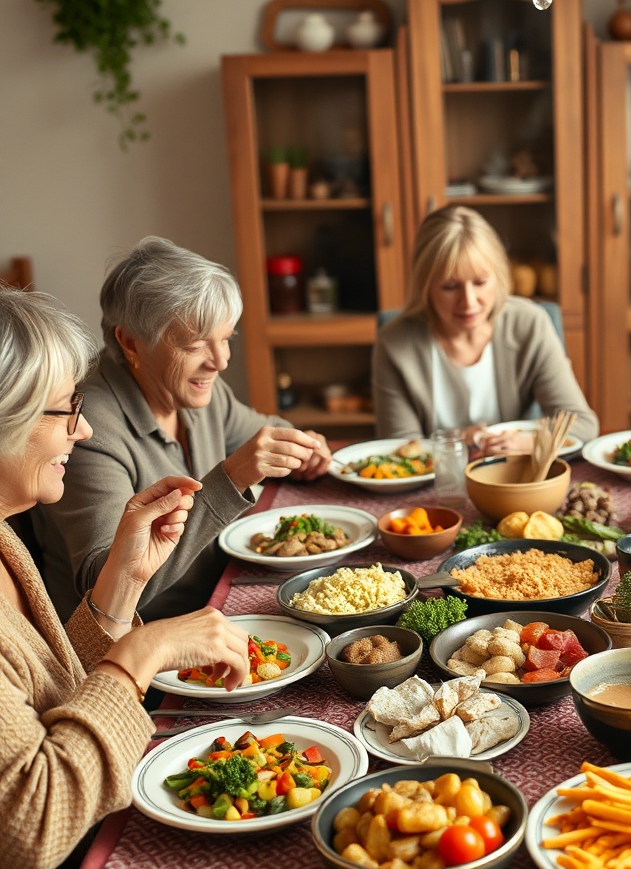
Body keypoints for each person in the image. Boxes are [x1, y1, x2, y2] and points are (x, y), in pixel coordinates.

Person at [0, 285, 250, 869]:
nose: (82, 430)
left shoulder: (3, 538)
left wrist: (122, 581)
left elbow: (48, 696)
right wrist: (143, 655)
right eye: (67, 412)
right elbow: (34, 823)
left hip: (73, 860)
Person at [31, 237, 332, 622]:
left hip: (220, 599)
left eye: (226, 339)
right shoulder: (87, 430)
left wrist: (302, 446)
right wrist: (233, 476)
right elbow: (105, 591)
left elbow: (266, 432)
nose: (221, 361)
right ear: (131, 343)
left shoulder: (193, 389)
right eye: (195, 345)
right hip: (141, 648)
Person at [372, 206, 598, 454]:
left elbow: (582, 425)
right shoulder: (394, 343)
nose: (469, 301)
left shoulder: (529, 324)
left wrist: (527, 442)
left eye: (480, 282)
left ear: (499, 276)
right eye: (450, 286)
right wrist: (458, 439)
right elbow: (400, 449)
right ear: (426, 286)